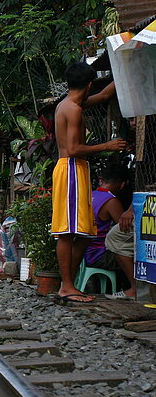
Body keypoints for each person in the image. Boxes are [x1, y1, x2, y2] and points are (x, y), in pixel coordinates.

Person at [52, 62, 127, 303]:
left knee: (84, 233)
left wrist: (126, 69)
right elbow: (73, 149)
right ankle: (67, 286)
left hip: (77, 171)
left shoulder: (73, 103)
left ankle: (69, 284)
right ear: (89, 84)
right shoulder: (72, 109)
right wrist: (107, 145)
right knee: (68, 232)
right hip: (72, 168)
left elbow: (105, 95)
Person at [84, 166, 136, 299]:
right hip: (99, 255)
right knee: (132, 252)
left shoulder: (91, 195)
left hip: (86, 253)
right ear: (122, 184)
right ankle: (135, 288)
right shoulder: (111, 201)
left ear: (101, 181)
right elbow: (124, 228)